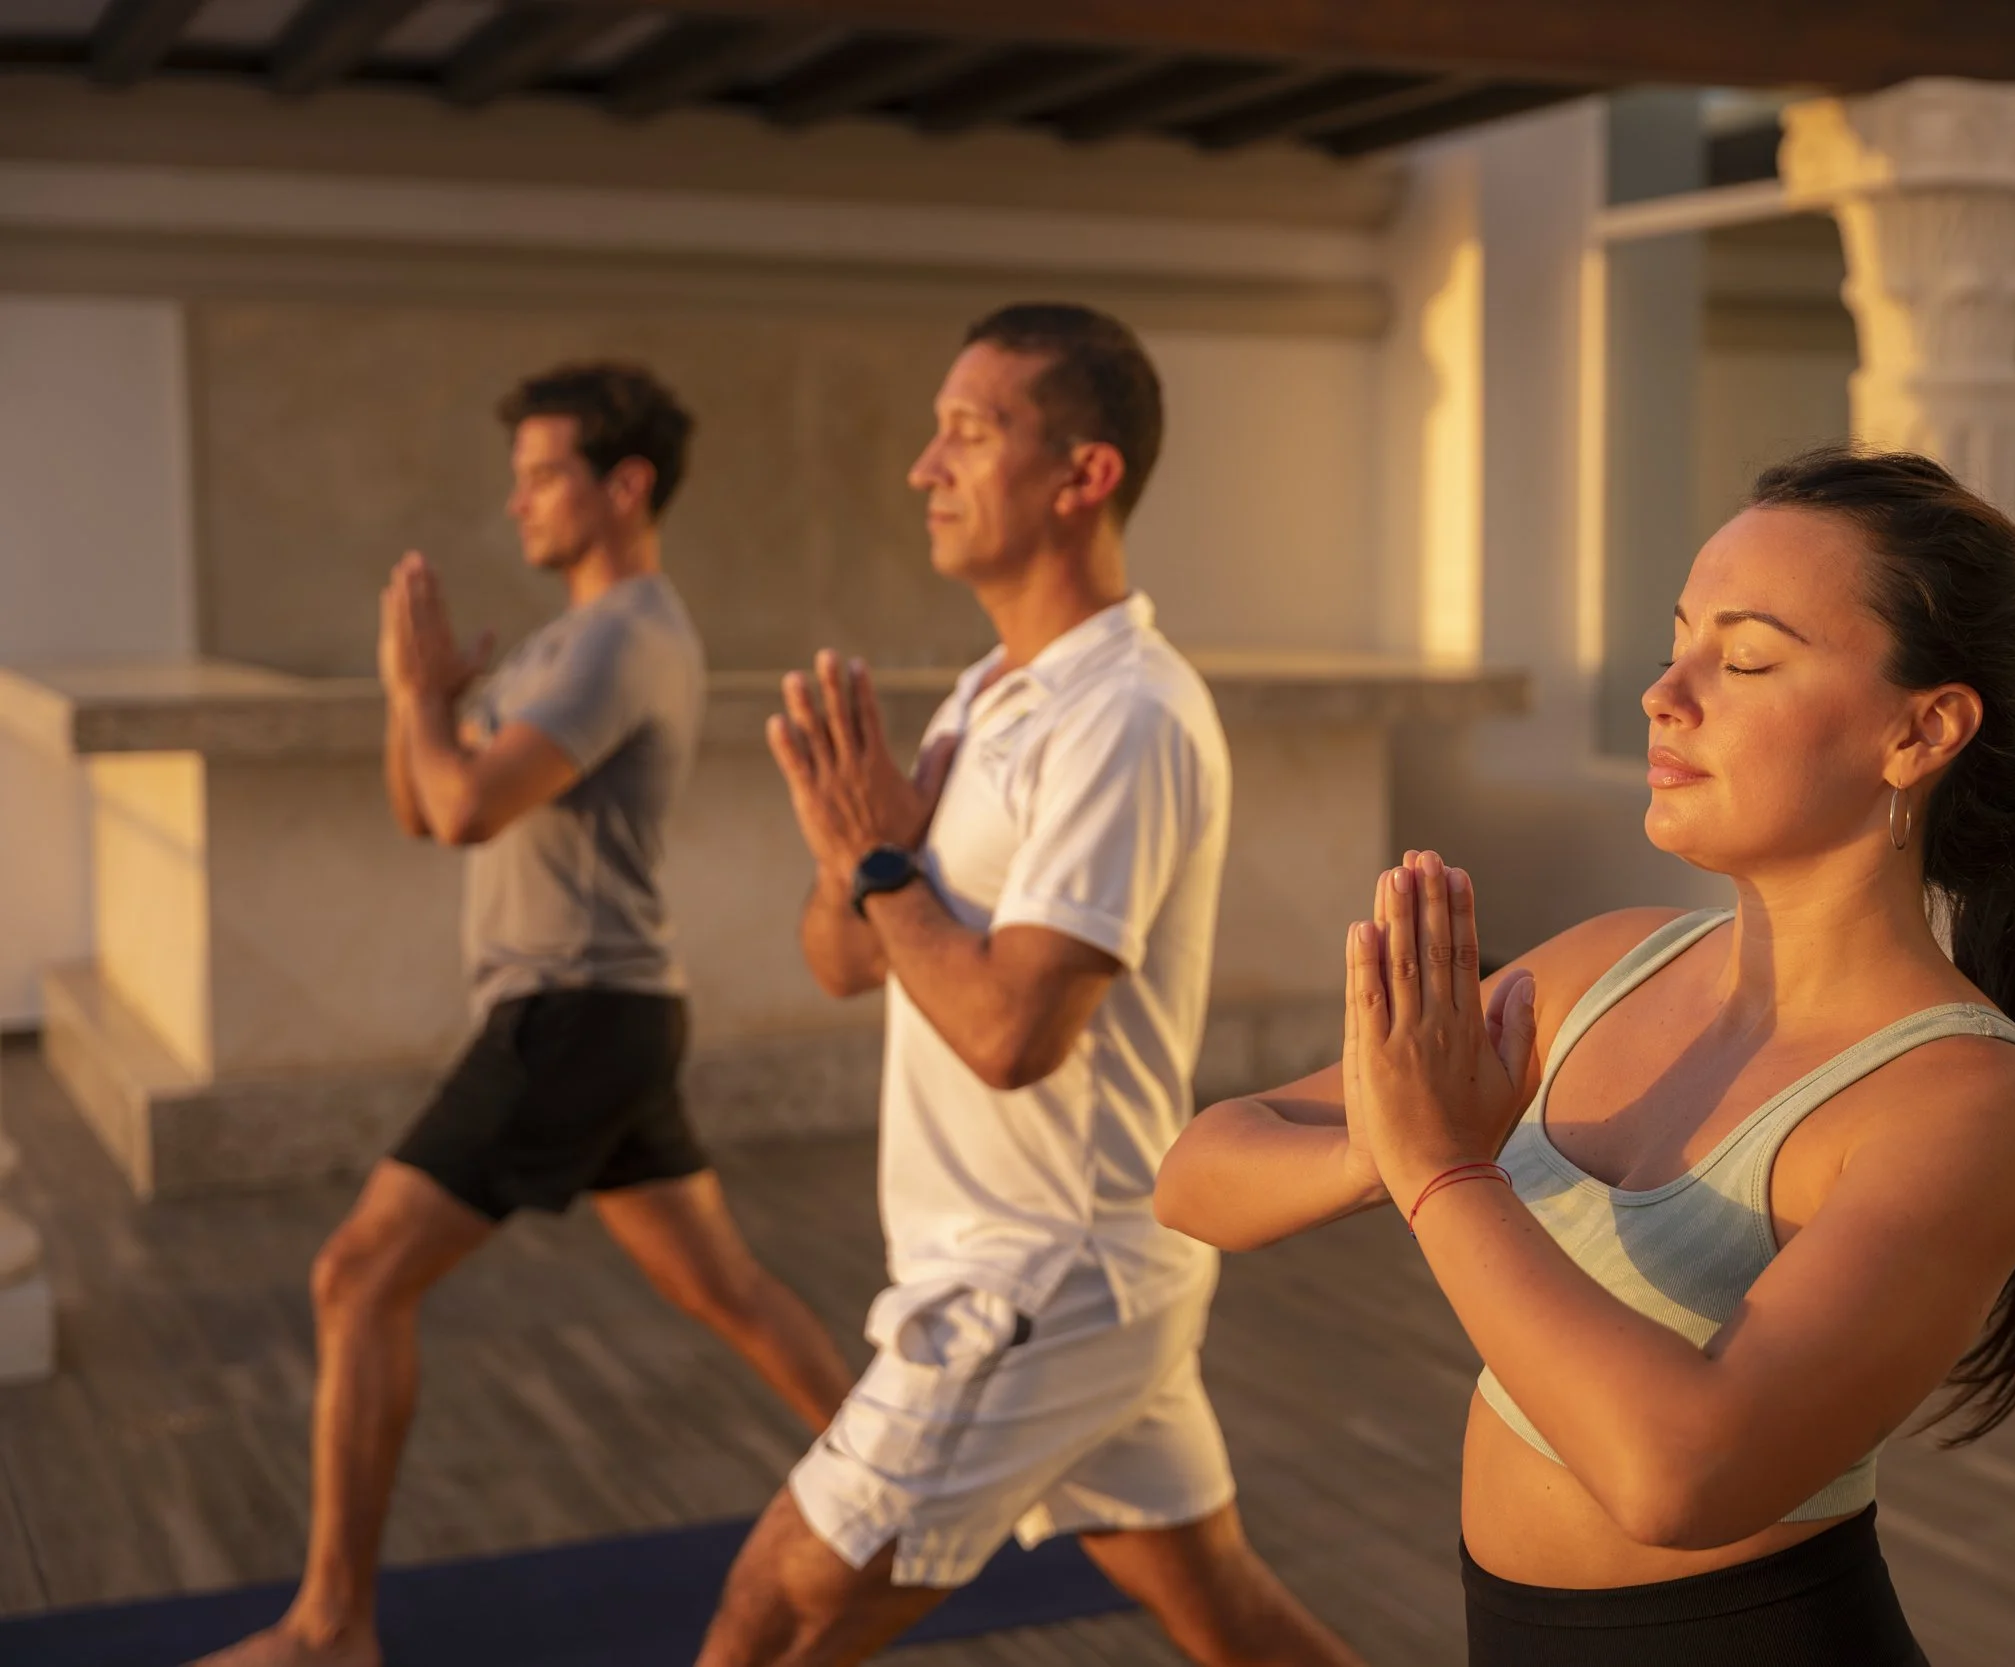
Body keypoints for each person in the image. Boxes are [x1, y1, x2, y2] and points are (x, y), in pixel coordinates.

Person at [1156, 447, 2015, 1665]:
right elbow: (1198, 1172)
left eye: (1744, 658)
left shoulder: (1969, 1101)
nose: (1665, 692)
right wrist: (1385, 1146)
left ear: (1921, 730)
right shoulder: (1611, 963)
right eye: (1678, 641)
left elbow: (1678, 1474)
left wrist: (1441, 1171)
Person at [698, 304, 1359, 1667]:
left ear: (1083, 475)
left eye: (967, 432)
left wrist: (887, 863)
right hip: (1077, 1265)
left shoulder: (1126, 712)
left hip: (1045, 1278)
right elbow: (843, 961)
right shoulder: (988, 694)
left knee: (774, 1611)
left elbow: (1013, 1032)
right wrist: (855, 861)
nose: (923, 467)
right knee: (1231, 1618)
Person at [199, 364, 855, 1667]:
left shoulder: (629, 636)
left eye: (544, 472)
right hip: (600, 1012)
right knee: (726, 1286)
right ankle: (923, 1482)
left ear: (626, 486)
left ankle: (332, 1624)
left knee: (355, 1272)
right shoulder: (564, 640)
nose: (518, 501)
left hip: (574, 1014)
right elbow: (423, 802)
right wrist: (421, 695)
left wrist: (424, 712)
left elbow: (462, 807)